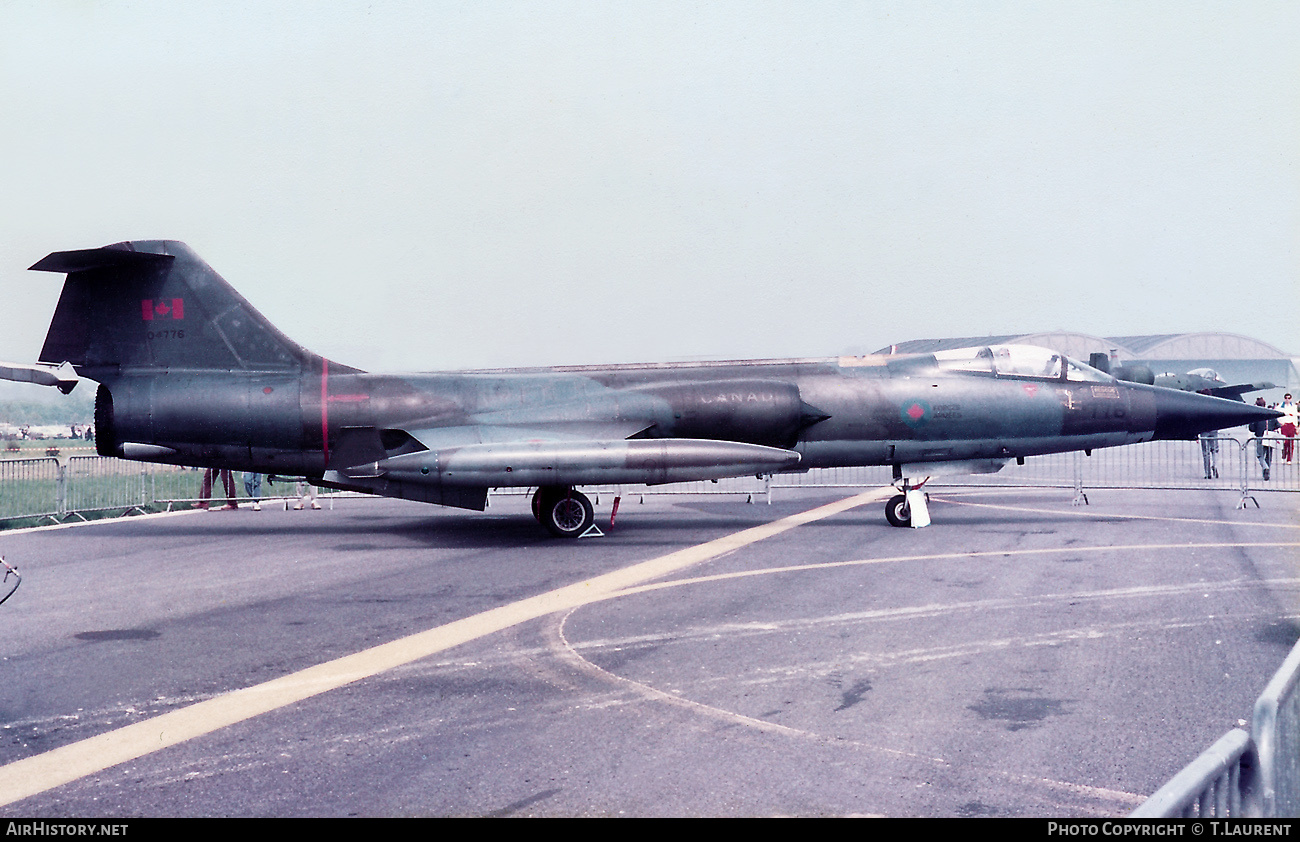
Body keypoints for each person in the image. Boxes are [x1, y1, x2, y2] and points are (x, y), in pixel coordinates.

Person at [1250, 397, 1272, 481]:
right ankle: (1267, 472)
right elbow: (1277, 425)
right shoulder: (1270, 413)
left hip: (1260, 437)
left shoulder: (1256, 415)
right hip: (1270, 437)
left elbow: (1251, 428)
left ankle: (1265, 468)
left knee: (1260, 455)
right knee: (1269, 456)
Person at [1281, 394, 1297, 464]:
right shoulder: (1280, 407)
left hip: (1291, 425)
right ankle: (1284, 456)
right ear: (1284, 398)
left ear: (1291, 399)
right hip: (1284, 425)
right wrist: (1281, 423)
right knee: (1285, 442)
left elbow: (1295, 416)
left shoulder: (1294, 407)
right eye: (1286, 398)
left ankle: (1289, 459)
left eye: (1289, 398)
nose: (1287, 399)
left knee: (1291, 443)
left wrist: (1296, 426)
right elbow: (1278, 416)